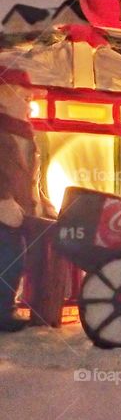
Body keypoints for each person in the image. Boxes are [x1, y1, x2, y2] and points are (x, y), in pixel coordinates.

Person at [0, 70, 40, 332]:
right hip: (5, 213)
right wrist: (3, 200)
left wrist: (40, 201)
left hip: (22, 213)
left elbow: (30, 178)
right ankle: (3, 312)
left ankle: (7, 306)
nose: (29, 105)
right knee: (8, 258)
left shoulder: (26, 136)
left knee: (17, 261)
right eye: (24, 98)